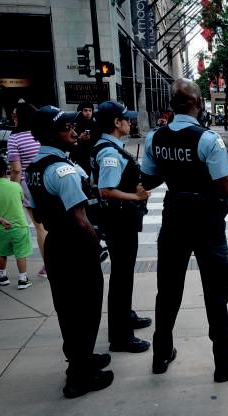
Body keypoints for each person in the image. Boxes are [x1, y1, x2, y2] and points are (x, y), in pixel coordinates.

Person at [140, 78, 228, 381]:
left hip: (174, 217)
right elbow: (226, 186)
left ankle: (161, 353)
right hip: (207, 220)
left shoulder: (154, 138)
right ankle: (225, 360)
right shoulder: (209, 140)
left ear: (171, 105)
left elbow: (148, 180)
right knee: (215, 292)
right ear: (199, 104)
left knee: (168, 290)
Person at [25, 105, 112, 399]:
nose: (73, 132)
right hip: (76, 247)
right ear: (50, 133)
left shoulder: (34, 169)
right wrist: (96, 244)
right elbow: (80, 219)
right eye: (66, 128)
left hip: (56, 245)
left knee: (68, 310)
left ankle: (81, 359)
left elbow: (37, 215)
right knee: (86, 309)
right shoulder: (62, 171)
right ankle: (79, 377)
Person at [92, 100, 152, 354]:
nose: (130, 122)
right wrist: (136, 197)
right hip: (119, 221)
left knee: (123, 275)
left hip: (120, 220)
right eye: (127, 118)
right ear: (117, 123)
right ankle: (120, 337)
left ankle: (125, 316)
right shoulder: (109, 153)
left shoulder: (109, 147)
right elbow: (106, 190)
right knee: (122, 277)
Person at [7, 102, 48, 278]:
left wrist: (13, 190)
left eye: (14, 115)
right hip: (48, 180)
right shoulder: (41, 133)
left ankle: (49, 266)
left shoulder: (14, 138)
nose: (12, 118)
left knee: (40, 227)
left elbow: (16, 170)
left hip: (29, 185)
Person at [0, 157, 33, 290]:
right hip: (20, 226)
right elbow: (21, 200)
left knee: (2, 252)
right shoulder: (16, 186)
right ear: (6, 171)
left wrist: (1, 220)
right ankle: (23, 279)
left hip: (1, 228)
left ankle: (2, 276)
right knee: (21, 253)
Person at [70, 102, 98, 176]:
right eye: (85, 110)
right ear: (81, 111)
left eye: (90, 110)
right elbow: (69, 141)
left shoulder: (96, 123)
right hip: (79, 156)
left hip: (93, 154)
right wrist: (79, 138)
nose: (88, 113)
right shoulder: (74, 123)